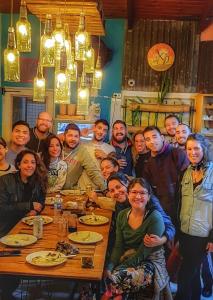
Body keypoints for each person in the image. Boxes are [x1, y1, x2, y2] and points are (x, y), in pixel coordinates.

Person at [104, 178, 172, 299]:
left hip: (150, 261)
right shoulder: (122, 214)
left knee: (114, 280)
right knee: (104, 275)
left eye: (142, 193)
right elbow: (118, 246)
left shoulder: (154, 217)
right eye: (134, 192)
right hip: (129, 256)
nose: (138, 196)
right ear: (128, 194)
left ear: (149, 196)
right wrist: (110, 267)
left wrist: (117, 268)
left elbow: (142, 253)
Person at [0, 149, 47, 300]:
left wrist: (35, 212)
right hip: (5, 229)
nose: (30, 166)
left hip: (26, 228)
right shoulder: (5, 180)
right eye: (25, 162)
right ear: (19, 164)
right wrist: (28, 206)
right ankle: (6, 292)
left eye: (33, 162)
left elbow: (41, 203)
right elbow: (2, 208)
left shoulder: (37, 181)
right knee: (11, 265)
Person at [175, 134, 213, 300]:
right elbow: (179, 203)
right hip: (185, 232)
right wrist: (176, 232)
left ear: (204, 149)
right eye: (189, 149)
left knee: (185, 274)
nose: (192, 152)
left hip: (203, 235)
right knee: (193, 274)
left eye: (196, 148)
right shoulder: (184, 172)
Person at [143, 125, 189, 224]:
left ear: (162, 138)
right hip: (161, 210)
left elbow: (187, 182)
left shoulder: (177, 154)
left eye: (154, 137)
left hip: (181, 207)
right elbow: (148, 188)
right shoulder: (149, 162)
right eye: (147, 139)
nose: (152, 141)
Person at [62, 123, 105, 191]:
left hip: (68, 192)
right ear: (64, 137)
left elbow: (93, 171)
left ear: (79, 138)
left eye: (76, 136)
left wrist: (105, 189)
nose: (73, 139)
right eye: (70, 135)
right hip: (50, 189)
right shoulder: (57, 147)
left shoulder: (82, 151)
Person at [78, 119, 115, 189]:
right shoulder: (83, 146)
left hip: (103, 190)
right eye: (99, 128)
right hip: (84, 189)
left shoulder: (111, 149)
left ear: (107, 133)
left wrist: (105, 157)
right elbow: (60, 139)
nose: (101, 132)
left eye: (104, 130)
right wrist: (80, 133)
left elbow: (115, 170)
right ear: (94, 128)